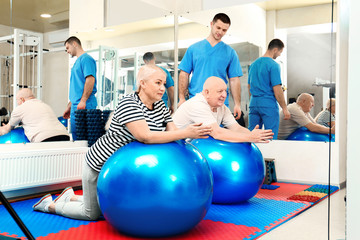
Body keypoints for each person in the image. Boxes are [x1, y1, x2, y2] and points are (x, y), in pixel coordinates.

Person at [32, 65, 212, 220]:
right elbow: (145, 137)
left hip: (124, 171)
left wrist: (191, 134)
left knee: (112, 210)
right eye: (158, 83)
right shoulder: (129, 103)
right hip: (100, 164)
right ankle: (49, 205)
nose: (163, 88)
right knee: (92, 214)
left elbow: (173, 133)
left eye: (164, 83)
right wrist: (187, 131)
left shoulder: (160, 106)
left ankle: (70, 196)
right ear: (142, 83)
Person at [178, 13, 242, 119]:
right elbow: (184, 73)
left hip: (220, 103)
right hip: (197, 100)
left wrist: (237, 104)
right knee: (198, 133)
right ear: (211, 24)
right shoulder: (194, 49)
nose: (220, 32)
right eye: (218, 28)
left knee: (219, 134)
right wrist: (181, 98)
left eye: (224, 30)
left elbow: (234, 80)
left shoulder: (230, 52)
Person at [173, 76, 274, 143]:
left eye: (225, 91)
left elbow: (236, 128)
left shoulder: (221, 107)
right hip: (177, 148)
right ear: (207, 92)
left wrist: (252, 134)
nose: (224, 95)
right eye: (220, 91)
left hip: (193, 146)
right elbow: (216, 133)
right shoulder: (197, 104)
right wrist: (250, 138)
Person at [248, 39, 290, 139]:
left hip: (253, 103)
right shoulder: (274, 65)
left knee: (252, 136)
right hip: (268, 104)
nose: (279, 55)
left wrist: (255, 99)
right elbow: (277, 89)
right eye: (280, 52)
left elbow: (249, 86)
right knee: (270, 136)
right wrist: (284, 108)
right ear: (275, 49)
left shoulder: (253, 65)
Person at [0, 88, 69, 142]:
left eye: (17, 100)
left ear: (22, 99)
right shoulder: (45, 105)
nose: (17, 103)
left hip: (45, 139)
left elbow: (6, 130)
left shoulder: (20, 108)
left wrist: (4, 127)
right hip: (65, 136)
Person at [62, 36, 97, 141]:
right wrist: (70, 104)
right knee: (76, 137)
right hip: (76, 105)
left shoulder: (86, 59)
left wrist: (83, 101)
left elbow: (90, 80)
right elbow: (76, 86)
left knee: (84, 139)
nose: (67, 51)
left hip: (84, 104)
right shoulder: (77, 62)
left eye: (68, 48)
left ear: (74, 44)